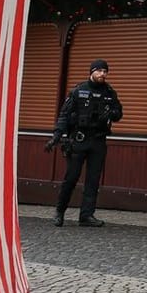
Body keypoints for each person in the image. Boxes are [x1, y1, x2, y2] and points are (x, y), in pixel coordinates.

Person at [50, 58, 124, 227]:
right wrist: (57, 135)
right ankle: (59, 212)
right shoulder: (78, 91)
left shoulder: (109, 92)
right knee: (71, 177)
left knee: (93, 180)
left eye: (105, 71)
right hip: (79, 140)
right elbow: (64, 115)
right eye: (99, 71)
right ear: (92, 72)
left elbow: (119, 113)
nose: (102, 74)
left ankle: (86, 216)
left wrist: (111, 114)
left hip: (98, 141)